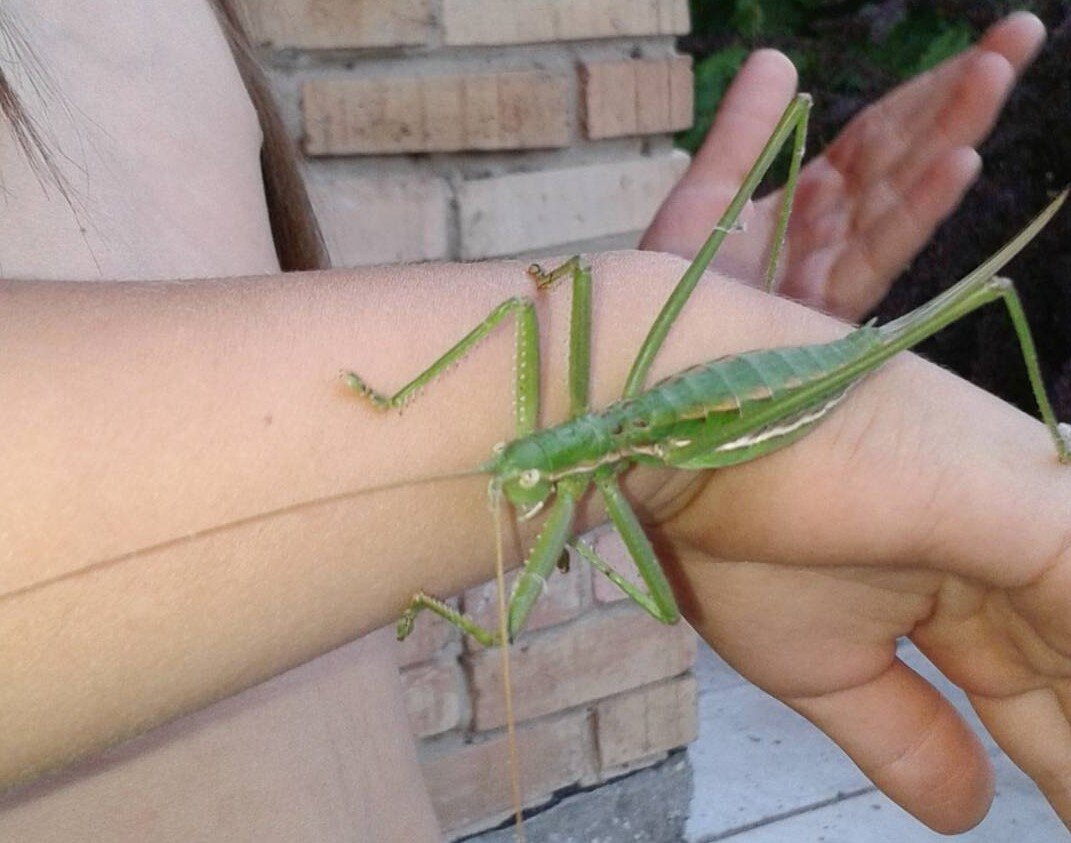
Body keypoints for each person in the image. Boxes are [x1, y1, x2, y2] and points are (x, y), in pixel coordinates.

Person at [0, 3, 1066, 839]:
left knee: (983, 292)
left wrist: (697, 315)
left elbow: (548, 334)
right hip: (656, 417)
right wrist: (642, 333)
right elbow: (553, 348)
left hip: (695, 412)